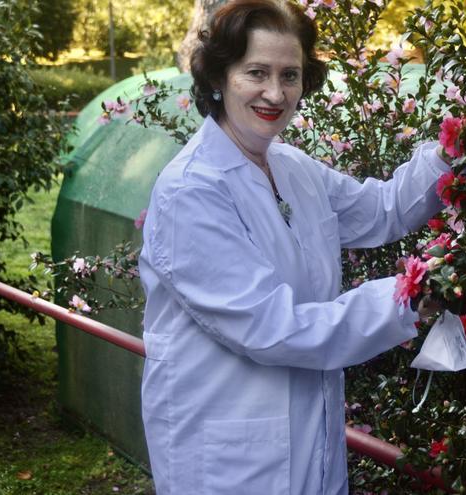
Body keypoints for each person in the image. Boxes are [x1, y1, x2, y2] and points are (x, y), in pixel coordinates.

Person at [138, 1, 448, 493]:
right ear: (219, 76)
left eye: (290, 75)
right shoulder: (191, 191)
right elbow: (271, 327)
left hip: (310, 443)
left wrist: (450, 152)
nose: (275, 93)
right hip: (228, 461)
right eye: (256, 72)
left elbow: (383, 209)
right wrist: (406, 295)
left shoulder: (291, 168)